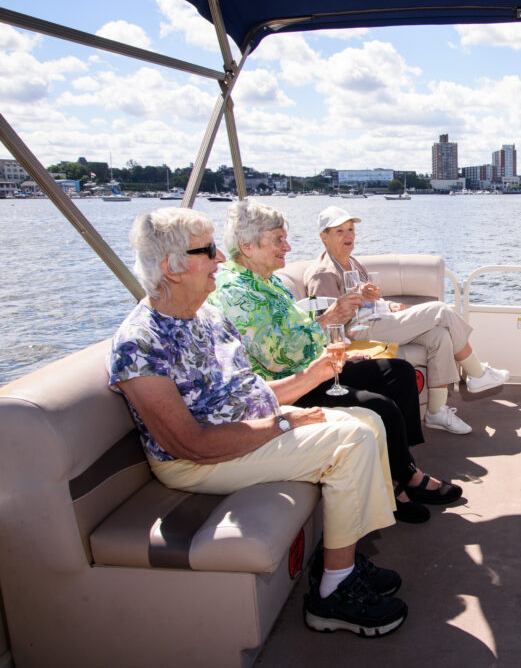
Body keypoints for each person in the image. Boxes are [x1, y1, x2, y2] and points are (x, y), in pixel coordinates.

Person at [107, 207, 407, 637]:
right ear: (170, 267)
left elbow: (251, 392)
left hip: (251, 428)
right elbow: (190, 444)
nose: (219, 260)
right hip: (200, 459)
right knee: (352, 439)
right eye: (207, 251)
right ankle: (332, 597)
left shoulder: (207, 318)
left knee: (368, 420)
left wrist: (314, 375)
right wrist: (283, 424)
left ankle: (343, 562)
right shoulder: (139, 344)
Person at [208, 200, 462, 525]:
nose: (287, 247)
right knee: (380, 406)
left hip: (315, 366)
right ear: (246, 245)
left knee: (398, 372)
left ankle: (403, 469)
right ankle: (400, 486)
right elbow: (280, 357)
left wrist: (340, 339)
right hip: (289, 387)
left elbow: (299, 327)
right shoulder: (239, 294)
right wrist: (330, 320)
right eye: (278, 240)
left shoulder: (267, 281)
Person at [304, 206, 509, 435]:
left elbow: (370, 298)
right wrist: (361, 304)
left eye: (350, 229)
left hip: (376, 319)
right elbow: (329, 325)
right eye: (339, 231)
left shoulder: (352, 263)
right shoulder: (323, 274)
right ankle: (477, 373)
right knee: (440, 310)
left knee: (439, 336)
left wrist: (388, 304)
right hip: (358, 332)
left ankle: (436, 412)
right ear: (324, 236)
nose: (349, 235)